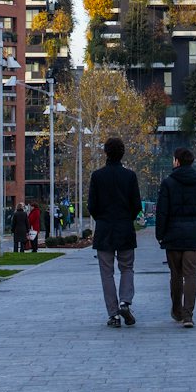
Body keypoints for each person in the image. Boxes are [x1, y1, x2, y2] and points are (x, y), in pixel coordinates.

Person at [156, 147, 196, 329]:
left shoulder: (168, 184)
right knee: (191, 275)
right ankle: (189, 315)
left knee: (176, 274)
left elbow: (162, 212)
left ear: (177, 162)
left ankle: (177, 309)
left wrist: (160, 234)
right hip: (193, 235)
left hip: (173, 235)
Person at [88, 136, 142, 328]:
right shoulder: (130, 176)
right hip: (125, 228)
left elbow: (92, 206)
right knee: (127, 267)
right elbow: (136, 204)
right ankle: (125, 302)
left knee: (107, 272)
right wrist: (127, 218)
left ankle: (113, 315)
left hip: (104, 230)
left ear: (106, 153)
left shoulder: (97, 176)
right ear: (122, 153)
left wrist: (102, 218)